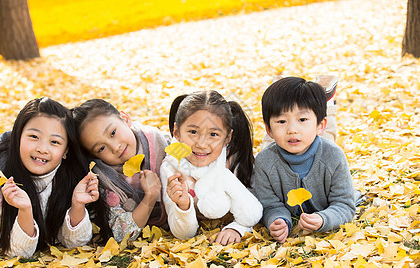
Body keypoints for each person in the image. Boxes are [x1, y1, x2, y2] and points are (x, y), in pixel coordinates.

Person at [0, 97, 98, 258]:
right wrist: (25, 210)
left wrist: (77, 205)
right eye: (34, 137)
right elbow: (19, 252)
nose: (42, 149)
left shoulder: (72, 175)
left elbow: (76, 243)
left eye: (54, 142)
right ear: (18, 137)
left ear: (66, 151)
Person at [253, 77, 356, 243]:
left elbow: (344, 205)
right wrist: (278, 220)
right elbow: (269, 205)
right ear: (269, 130)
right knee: (269, 150)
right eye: (281, 121)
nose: (292, 130)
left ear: (319, 124)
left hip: (320, 143)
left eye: (302, 119)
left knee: (328, 138)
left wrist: (324, 218)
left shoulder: (334, 157)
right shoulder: (264, 162)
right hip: (276, 150)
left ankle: (327, 101)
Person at [161, 90, 263, 245]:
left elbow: (251, 206)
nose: (202, 144)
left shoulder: (229, 160)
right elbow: (182, 234)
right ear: (176, 132)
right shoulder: (171, 169)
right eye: (193, 132)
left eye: (213, 134)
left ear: (227, 138)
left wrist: (237, 228)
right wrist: (183, 206)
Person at [71, 99, 168, 242]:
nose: (115, 147)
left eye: (113, 132)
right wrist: (150, 197)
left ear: (125, 118)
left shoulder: (157, 141)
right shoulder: (104, 180)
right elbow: (121, 234)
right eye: (101, 148)